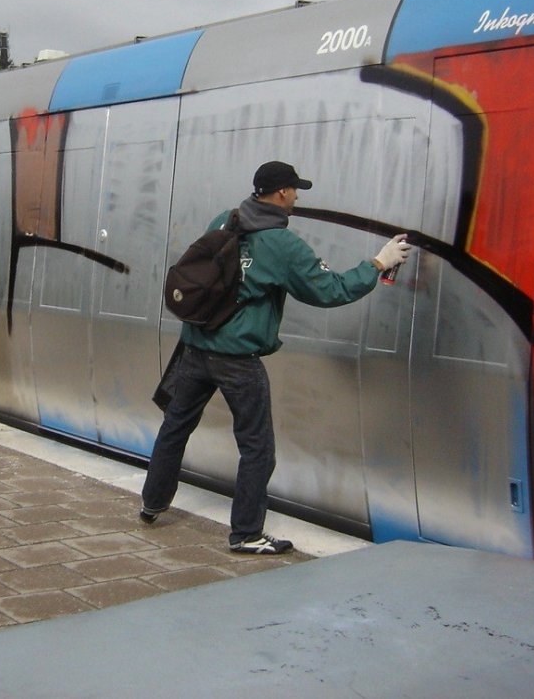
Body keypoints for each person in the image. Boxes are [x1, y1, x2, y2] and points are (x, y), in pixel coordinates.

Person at [140, 161, 411, 554]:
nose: (298, 197)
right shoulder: (282, 244)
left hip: (195, 347)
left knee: (175, 427)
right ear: (282, 193)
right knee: (257, 448)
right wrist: (379, 263)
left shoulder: (223, 220)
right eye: (295, 190)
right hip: (237, 358)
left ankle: (152, 502)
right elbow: (330, 290)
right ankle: (247, 533)